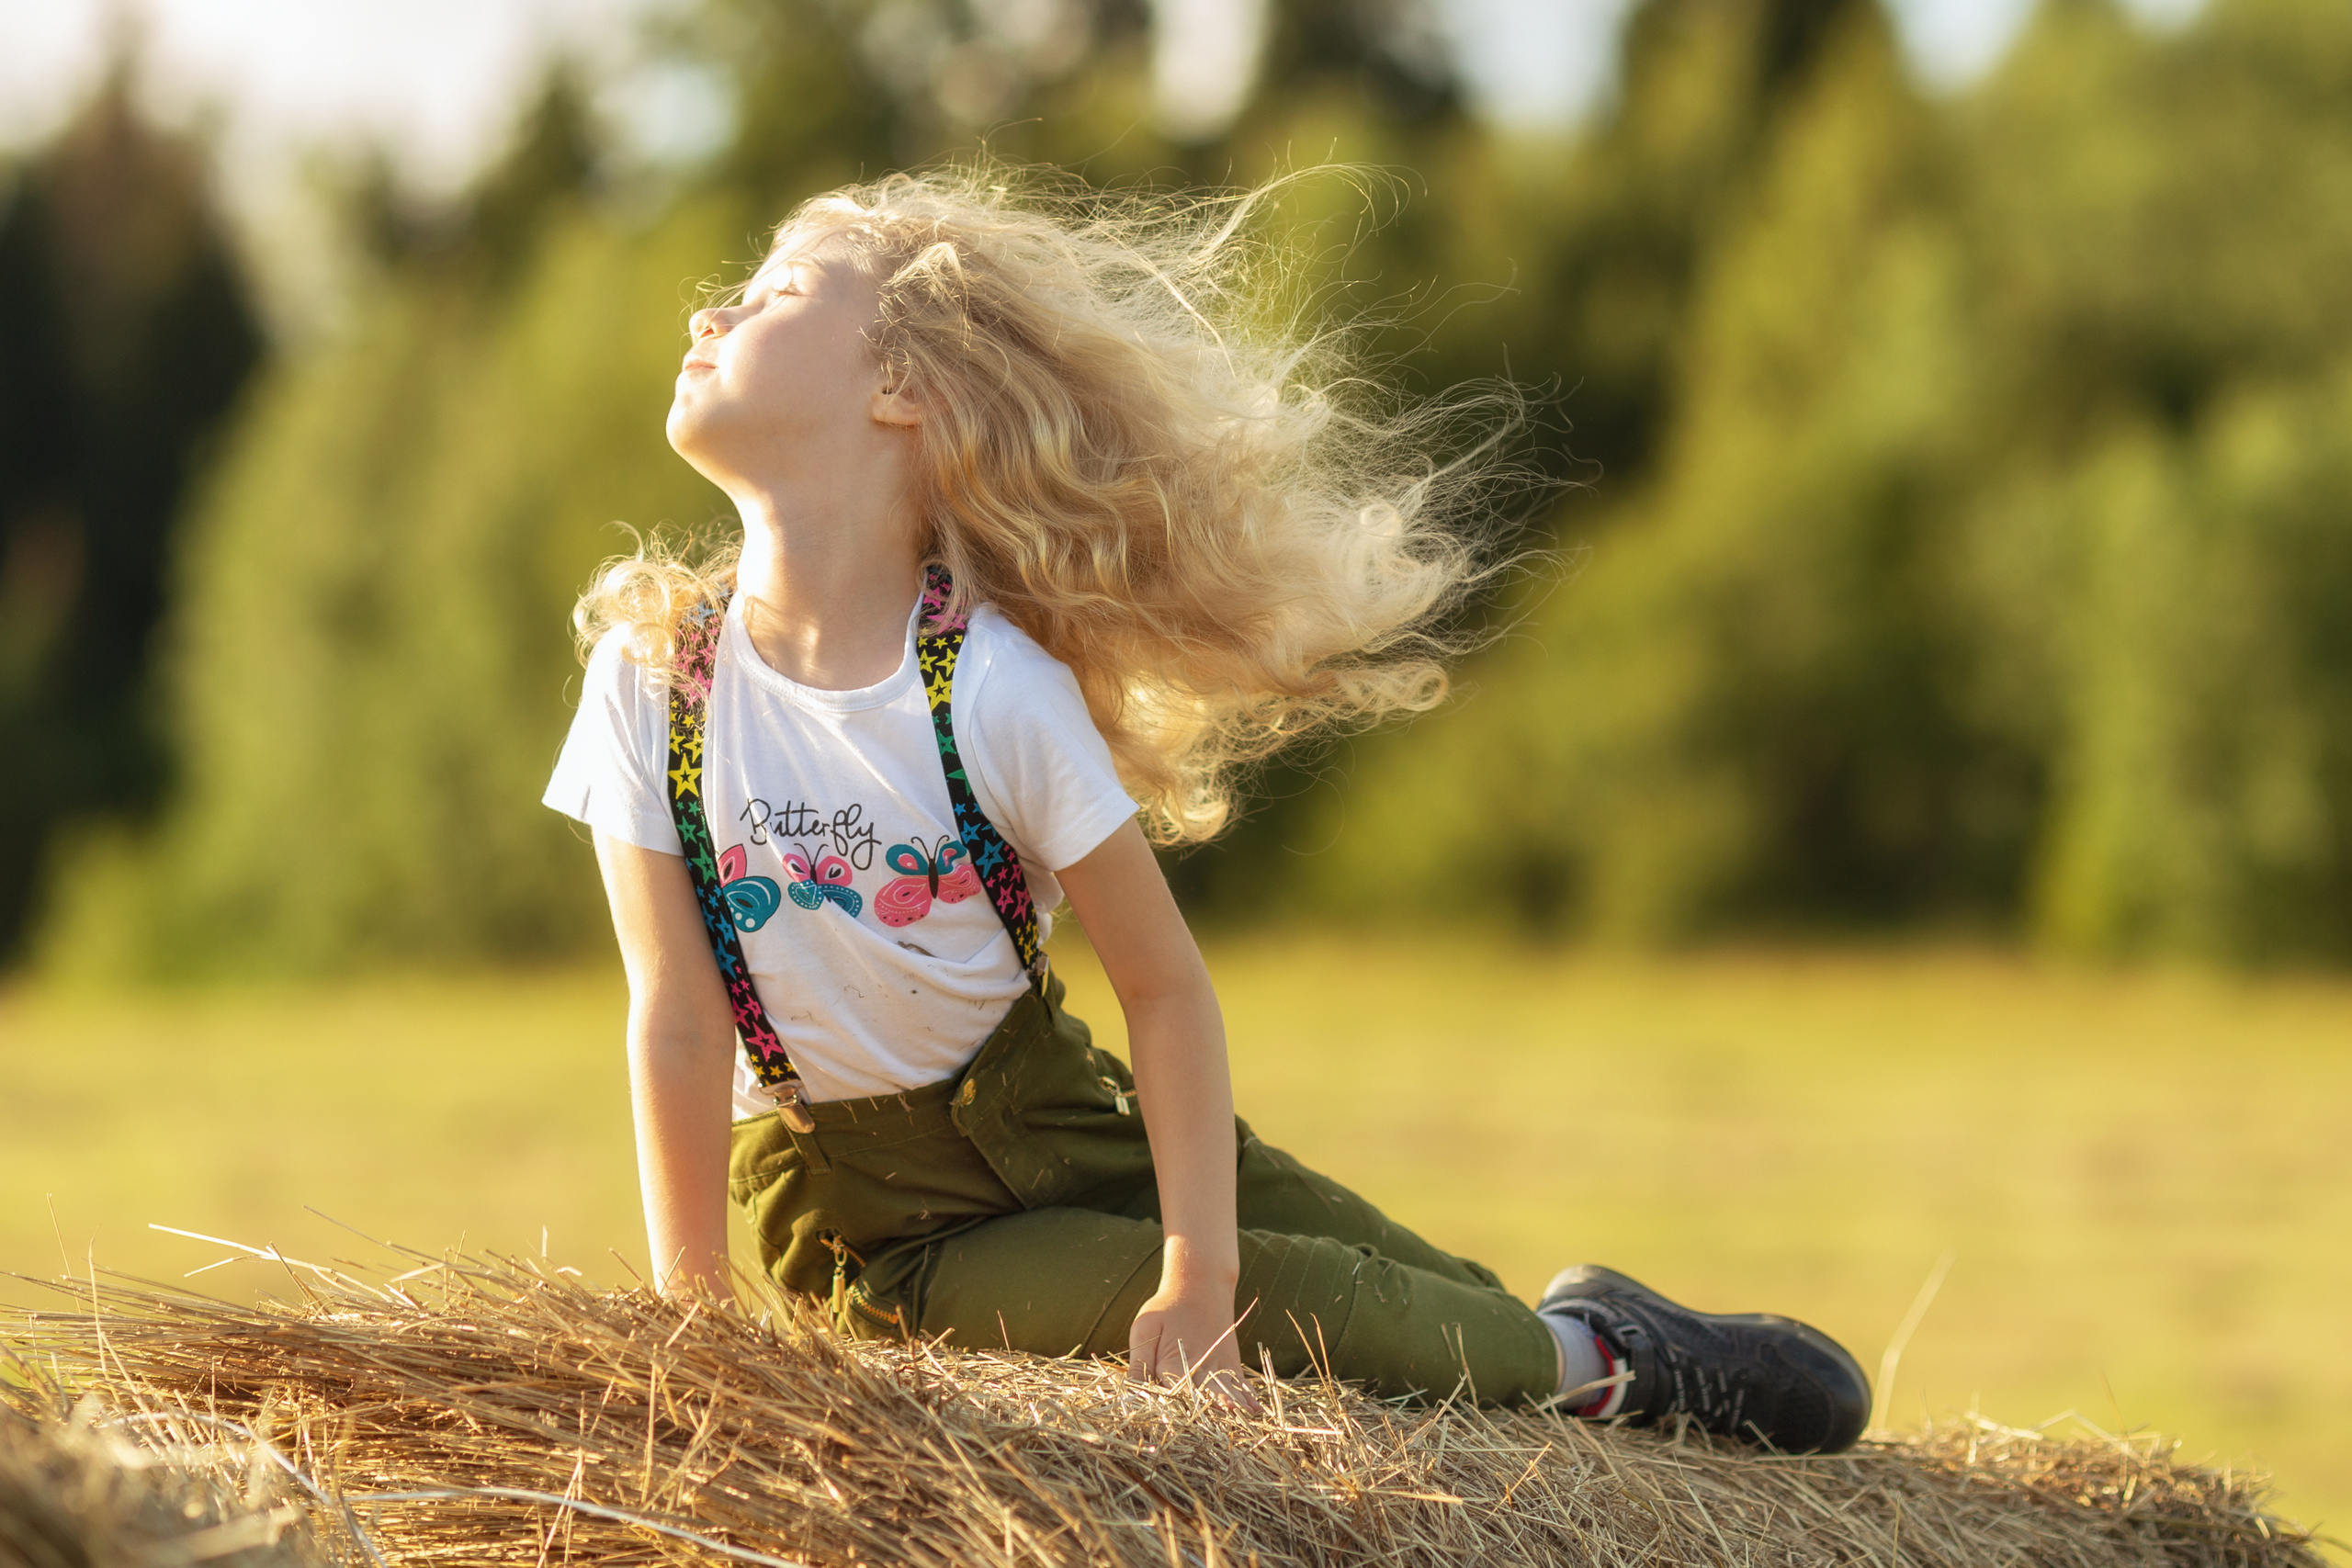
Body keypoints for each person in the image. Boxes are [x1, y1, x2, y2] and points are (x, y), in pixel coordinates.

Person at [544, 167, 1871, 1452]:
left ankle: (1562, 1339)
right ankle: (1617, 1372)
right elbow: (676, 1011)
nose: (708, 314)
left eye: (772, 294)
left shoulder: (990, 689)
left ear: (902, 387)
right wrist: (692, 1312)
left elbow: (1164, 992)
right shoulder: (655, 688)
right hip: (891, 1237)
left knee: (1401, 1280)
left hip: (1061, 1118)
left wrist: (1190, 1264)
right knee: (1320, 1313)